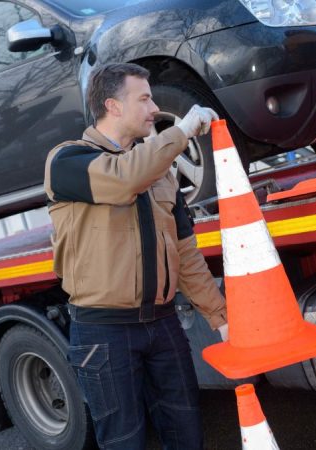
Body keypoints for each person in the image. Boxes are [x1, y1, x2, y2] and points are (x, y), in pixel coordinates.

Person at [44, 62, 228, 449]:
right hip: (103, 332)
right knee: (125, 442)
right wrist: (181, 132)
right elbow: (124, 178)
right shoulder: (67, 161)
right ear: (113, 106)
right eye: (144, 98)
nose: (153, 108)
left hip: (163, 325)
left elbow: (185, 251)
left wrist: (219, 316)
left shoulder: (160, 170)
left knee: (187, 436)